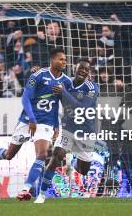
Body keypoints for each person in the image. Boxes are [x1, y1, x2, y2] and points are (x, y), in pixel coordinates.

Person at [0, 48, 70, 201]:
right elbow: (25, 99)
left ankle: (26, 189)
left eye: (65, 60)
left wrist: (56, 124)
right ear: (52, 60)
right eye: (61, 59)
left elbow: (60, 104)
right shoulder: (38, 75)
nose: (64, 62)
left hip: (46, 123)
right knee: (9, 155)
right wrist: (32, 119)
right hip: (28, 120)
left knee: (42, 154)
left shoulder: (65, 81)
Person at [35, 59, 99, 203]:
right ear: (75, 69)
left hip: (86, 132)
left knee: (83, 170)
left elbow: (82, 108)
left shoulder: (92, 87)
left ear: (89, 73)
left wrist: (64, 92)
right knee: (55, 158)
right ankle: (42, 195)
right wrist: (36, 75)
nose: (83, 71)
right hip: (68, 129)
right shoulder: (65, 83)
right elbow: (47, 92)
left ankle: (72, 163)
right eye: (80, 68)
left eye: (86, 70)